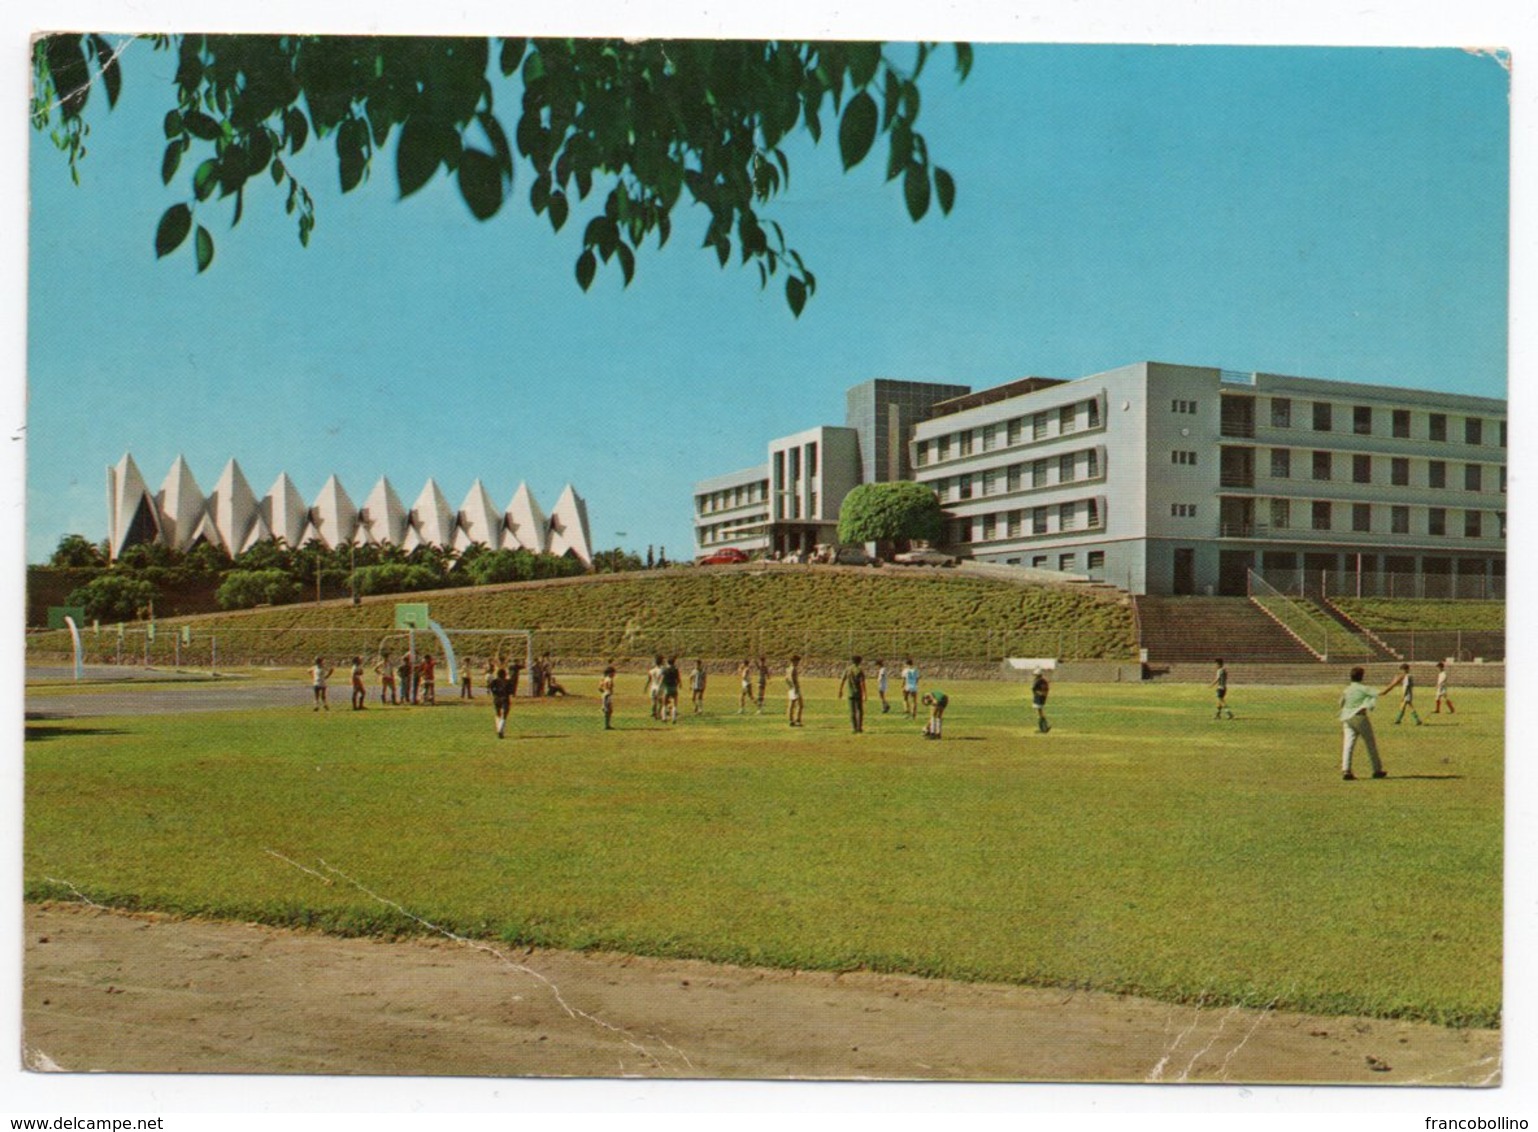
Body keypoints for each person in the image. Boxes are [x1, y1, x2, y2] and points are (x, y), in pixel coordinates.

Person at [1339, 665, 1387, 780]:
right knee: (1370, 744)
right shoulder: (1363, 688)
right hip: (1360, 717)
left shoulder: (1347, 689)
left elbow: (1341, 703)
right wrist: (1396, 682)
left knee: (1348, 745)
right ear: (1362, 677)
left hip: (1347, 718)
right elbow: (1382, 693)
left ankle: (1346, 770)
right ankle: (1377, 770)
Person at [837, 655, 867, 734]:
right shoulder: (859, 670)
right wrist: (864, 694)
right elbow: (862, 683)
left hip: (850, 693)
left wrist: (840, 691)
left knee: (852, 711)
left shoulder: (848, 669)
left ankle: (854, 728)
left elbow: (842, 680)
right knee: (859, 711)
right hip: (858, 693)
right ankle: (859, 727)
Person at [488, 665, 513, 739]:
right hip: (505, 699)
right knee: (504, 715)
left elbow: (490, 689)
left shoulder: (494, 681)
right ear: (505, 674)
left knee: (497, 713)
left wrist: (494, 694)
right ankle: (500, 729)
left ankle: (498, 729)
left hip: (496, 699)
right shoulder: (508, 681)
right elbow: (511, 692)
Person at [660, 656, 681, 723]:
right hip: (674, 687)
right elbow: (678, 678)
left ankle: (664, 717)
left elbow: (662, 678)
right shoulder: (675, 669)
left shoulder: (664, 669)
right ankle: (674, 718)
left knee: (664, 703)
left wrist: (660, 686)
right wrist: (679, 684)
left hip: (667, 687)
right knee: (675, 703)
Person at [786, 654, 804, 727]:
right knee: (800, 705)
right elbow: (793, 679)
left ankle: (791, 720)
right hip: (795, 688)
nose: (798, 663)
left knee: (791, 705)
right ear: (794, 661)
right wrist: (795, 688)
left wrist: (790, 686)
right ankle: (798, 720)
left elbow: (786, 679)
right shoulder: (793, 669)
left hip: (791, 688)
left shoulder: (788, 669)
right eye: (797, 661)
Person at [1031, 668, 1051, 733]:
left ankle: (1043, 728)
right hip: (1043, 698)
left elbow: (1033, 688)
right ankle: (1044, 727)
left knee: (1039, 713)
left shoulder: (1037, 681)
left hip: (1038, 698)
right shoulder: (1044, 681)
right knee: (1040, 712)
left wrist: (1038, 693)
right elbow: (1047, 689)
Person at [646, 655, 664, 720]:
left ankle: (654, 713)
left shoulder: (651, 670)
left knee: (654, 701)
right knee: (661, 702)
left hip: (653, 687)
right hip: (659, 687)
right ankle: (658, 714)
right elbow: (662, 679)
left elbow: (649, 680)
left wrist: (646, 687)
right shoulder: (662, 670)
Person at [599, 665, 616, 730]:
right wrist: (609, 692)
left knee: (608, 710)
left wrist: (604, 692)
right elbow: (610, 688)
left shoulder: (604, 679)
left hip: (604, 694)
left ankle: (607, 724)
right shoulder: (610, 680)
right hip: (608, 695)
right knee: (608, 710)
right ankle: (607, 725)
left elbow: (600, 688)